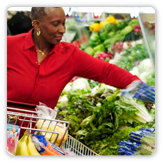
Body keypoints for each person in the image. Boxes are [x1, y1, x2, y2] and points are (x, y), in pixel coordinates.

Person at [7, 7, 154, 110]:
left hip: (39, 137)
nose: (62, 30)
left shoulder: (69, 55)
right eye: (55, 24)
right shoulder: (9, 46)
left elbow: (106, 71)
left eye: (63, 23)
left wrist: (137, 86)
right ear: (37, 25)